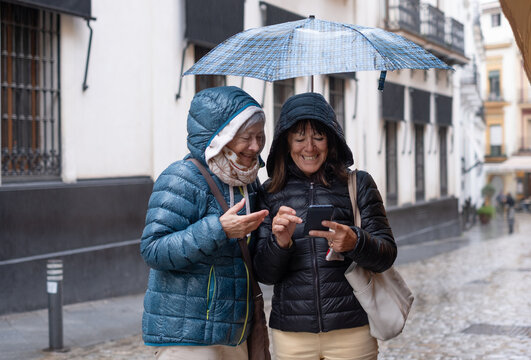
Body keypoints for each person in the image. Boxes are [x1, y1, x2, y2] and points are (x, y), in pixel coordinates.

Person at [253, 92, 397, 360]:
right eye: (299, 137)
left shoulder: (359, 184)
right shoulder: (269, 193)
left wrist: (355, 242)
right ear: (286, 142)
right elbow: (264, 274)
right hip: (292, 337)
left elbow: (387, 253)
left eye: (318, 136)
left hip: (352, 332)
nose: (309, 147)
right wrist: (280, 243)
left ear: (331, 140)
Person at [140, 86, 269, 360]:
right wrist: (219, 229)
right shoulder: (182, 177)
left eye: (260, 136)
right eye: (247, 137)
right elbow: (153, 249)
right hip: (186, 336)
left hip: (235, 333)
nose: (256, 146)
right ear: (220, 137)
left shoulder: (250, 183)